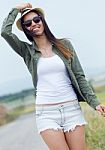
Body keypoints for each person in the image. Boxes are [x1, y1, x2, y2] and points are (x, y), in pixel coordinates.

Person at [1, 3, 105, 150]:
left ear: (42, 20)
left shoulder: (65, 45)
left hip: (71, 109)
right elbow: (5, 32)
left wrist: (95, 103)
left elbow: (79, 76)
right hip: (46, 113)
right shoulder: (27, 51)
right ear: (25, 29)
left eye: (36, 19)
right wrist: (17, 9)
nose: (33, 24)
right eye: (28, 23)